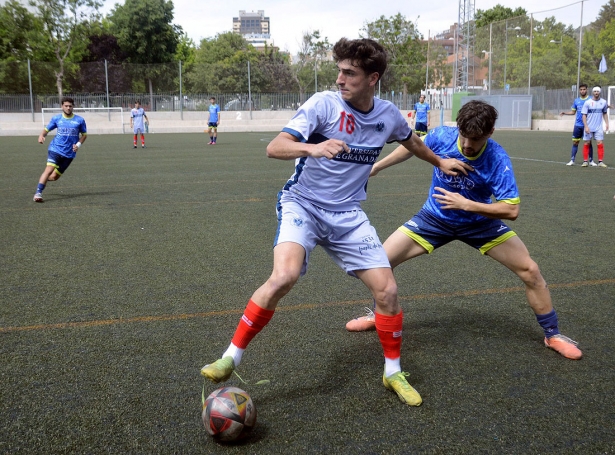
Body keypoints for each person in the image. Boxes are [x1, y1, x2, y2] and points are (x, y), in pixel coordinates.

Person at [200, 38, 472, 407]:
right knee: (284, 276)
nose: (340, 79)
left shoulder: (388, 115)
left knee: (387, 292)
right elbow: (274, 147)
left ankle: (393, 372)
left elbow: (412, 141)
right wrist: (313, 147)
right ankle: (231, 357)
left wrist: (439, 162)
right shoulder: (322, 105)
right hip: (304, 204)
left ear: (373, 78)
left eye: (350, 73)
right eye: (339, 71)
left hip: (348, 215)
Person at [346, 100, 583, 366]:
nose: (468, 145)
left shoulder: (497, 159)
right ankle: (378, 314)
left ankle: (553, 335)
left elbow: (511, 209)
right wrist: (377, 167)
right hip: (434, 219)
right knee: (379, 263)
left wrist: (467, 204)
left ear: (490, 133)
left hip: (480, 224)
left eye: (477, 139)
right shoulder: (441, 136)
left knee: (530, 270)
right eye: (465, 136)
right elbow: (413, 147)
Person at [33, 97, 87, 203]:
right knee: (48, 170)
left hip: (69, 153)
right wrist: (41, 136)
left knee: (54, 177)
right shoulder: (56, 119)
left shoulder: (79, 120)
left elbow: (84, 135)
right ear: (62, 106)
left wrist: (78, 144)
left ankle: (42, 179)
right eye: (66, 106)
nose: (68, 108)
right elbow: (46, 129)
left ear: (73, 107)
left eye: (70, 106)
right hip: (55, 149)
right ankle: (38, 193)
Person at [560, 84, 594, 166]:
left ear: (587, 90)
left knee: (588, 143)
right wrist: (565, 113)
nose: (582, 91)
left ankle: (591, 161)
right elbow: (573, 112)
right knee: (575, 142)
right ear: (579, 90)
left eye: (584, 89)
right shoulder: (576, 100)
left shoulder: (591, 100)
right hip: (578, 125)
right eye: (581, 89)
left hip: (587, 125)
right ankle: (572, 160)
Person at [581, 86, 609, 167]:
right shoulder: (587, 102)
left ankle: (600, 162)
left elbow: (604, 113)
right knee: (587, 143)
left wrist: (607, 123)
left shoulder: (603, 102)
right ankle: (585, 161)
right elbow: (584, 115)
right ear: (592, 92)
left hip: (598, 127)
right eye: (595, 91)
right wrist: (586, 126)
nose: (596, 93)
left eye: (597, 91)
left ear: (599, 92)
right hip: (589, 127)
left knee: (600, 143)